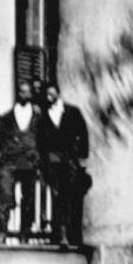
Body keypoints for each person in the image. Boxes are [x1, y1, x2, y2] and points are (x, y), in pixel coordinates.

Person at [38, 80, 91, 247]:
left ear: (58, 94)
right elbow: (41, 141)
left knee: (72, 198)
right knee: (58, 197)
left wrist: (82, 158)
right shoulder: (44, 116)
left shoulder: (72, 112)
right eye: (47, 94)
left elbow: (83, 134)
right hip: (53, 163)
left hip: (70, 161)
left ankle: (73, 236)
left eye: (52, 94)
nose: (49, 97)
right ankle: (60, 235)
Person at [0, 80, 43, 240]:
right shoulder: (6, 117)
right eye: (21, 91)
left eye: (27, 91)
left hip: (30, 163)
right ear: (17, 93)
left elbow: (44, 139)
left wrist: (38, 157)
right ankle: (3, 230)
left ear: (31, 94)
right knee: (5, 195)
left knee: (29, 198)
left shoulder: (38, 118)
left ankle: (25, 233)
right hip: (10, 162)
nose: (24, 94)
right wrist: (1, 152)